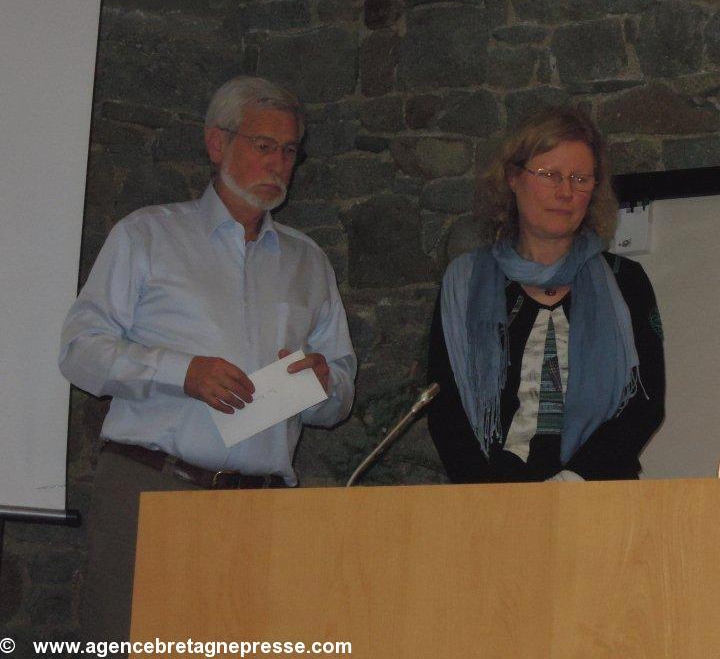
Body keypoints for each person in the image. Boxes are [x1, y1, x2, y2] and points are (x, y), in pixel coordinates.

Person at [60, 76, 356, 639]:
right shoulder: (147, 236)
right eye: (263, 145)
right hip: (154, 489)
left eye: (290, 150)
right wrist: (182, 373)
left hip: (262, 507)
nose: (279, 162)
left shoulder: (308, 261)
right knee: (132, 643)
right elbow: (80, 351)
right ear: (217, 145)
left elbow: (340, 391)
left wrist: (324, 380)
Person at [427, 108, 665, 482]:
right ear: (512, 178)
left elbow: (645, 404)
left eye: (580, 178)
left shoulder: (625, 282)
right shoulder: (465, 283)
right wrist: (493, 498)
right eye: (550, 175)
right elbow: (444, 410)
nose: (566, 191)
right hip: (491, 505)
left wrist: (574, 482)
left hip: (599, 499)